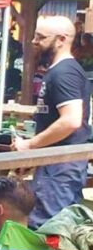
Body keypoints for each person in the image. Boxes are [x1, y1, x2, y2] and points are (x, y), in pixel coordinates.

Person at [13, 16, 91, 227]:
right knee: (61, 227)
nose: (34, 41)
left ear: (61, 40)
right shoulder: (58, 70)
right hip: (57, 163)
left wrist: (30, 145)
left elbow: (71, 120)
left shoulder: (65, 72)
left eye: (41, 37)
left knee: (46, 228)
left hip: (61, 165)